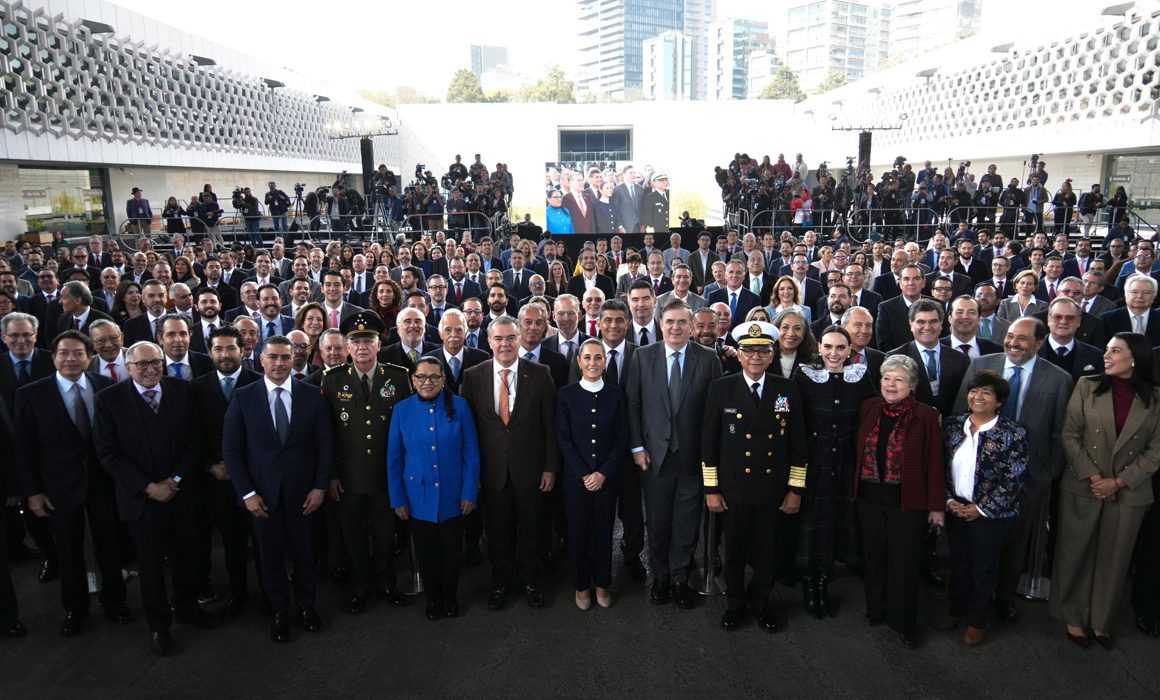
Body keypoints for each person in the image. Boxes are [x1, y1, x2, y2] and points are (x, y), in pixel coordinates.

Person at [93, 341, 217, 656]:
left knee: (186, 557)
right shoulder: (109, 400)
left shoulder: (182, 391)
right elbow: (109, 454)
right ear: (128, 367)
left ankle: (188, 609)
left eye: (155, 363)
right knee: (150, 566)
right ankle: (159, 626)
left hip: (182, 493)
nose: (150, 369)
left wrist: (174, 480)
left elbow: (195, 439)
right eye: (142, 364)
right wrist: (149, 487)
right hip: (142, 499)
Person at [13, 331, 130, 637]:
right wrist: (33, 492)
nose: (71, 359)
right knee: (68, 549)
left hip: (103, 483)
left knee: (110, 545)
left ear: (88, 356)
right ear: (53, 357)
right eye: (64, 353)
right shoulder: (31, 394)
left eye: (78, 353)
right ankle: (75, 609)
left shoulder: (104, 386)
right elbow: (24, 449)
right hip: (58, 487)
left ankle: (115, 601)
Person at [222, 335, 334, 643]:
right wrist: (247, 494)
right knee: (269, 557)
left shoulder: (312, 395)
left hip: (304, 495)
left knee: (305, 554)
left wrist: (320, 487)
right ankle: (279, 611)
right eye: (273, 357)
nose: (280, 363)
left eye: (286, 357)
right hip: (262, 497)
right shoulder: (244, 397)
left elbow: (325, 446)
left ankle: (307, 606)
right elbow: (231, 449)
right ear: (260, 359)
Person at [1053, 333, 1160, 649]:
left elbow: (1156, 450)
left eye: (1116, 350)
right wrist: (1095, 476)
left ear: (1135, 358)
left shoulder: (1155, 397)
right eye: (1107, 350)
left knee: (1115, 559)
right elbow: (1070, 435)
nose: (1107, 355)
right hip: (1084, 484)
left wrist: (1119, 481)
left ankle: (1100, 622)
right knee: (1075, 552)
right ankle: (1073, 617)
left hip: (1130, 491)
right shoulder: (1087, 386)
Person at [703, 321, 807, 633]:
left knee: (767, 551)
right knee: (733, 549)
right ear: (739, 354)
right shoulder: (721, 387)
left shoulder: (787, 389)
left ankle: (761, 601)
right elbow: (709, 442)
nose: (756, 356)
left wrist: (795, 489)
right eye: (749, 350)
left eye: (763, 350)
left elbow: (798, 443)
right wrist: (711, 488)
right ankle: (735, 603)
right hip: (734, 488)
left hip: (772, 489)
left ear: (773, 355)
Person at [627, 299, 722, 608]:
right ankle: (661, 576)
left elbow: (714, 412)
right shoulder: (642, 356)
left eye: (682, 322)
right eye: (670, 322)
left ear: (691, 326)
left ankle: (680, 577)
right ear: (660, 324)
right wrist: (638, 447)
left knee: (686, 522)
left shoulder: (708, 359)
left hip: (692, 458)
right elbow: (634, 405)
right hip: (655, 457)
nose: (676, 327)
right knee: (657, 522)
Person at [460, 316, 558, 611]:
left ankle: (530, 582)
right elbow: (467, 431)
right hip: (491, 473)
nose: (505, 344)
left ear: (520, 339)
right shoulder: (473, 376)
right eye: (499, 339)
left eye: (510, 338)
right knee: (498, 533)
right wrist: (472, 473)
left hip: (531, 471)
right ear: (488, 342)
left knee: (531, 530)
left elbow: (550, 427)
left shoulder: (541, 374)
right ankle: (501, 583)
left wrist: (550, 467)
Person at [321, 312, 412, 614]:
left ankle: (387, 583)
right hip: (349, 476)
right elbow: (327, 433)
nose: (362, 346)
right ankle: (360, 587)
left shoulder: (398, 377)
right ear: (347, 347)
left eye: (368, 340)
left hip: (387, 476)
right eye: (355, 341)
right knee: (355, 535)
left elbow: (407, 429)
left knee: (386, 535)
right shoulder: (333, 381)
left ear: (379, 344)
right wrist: (331, 474)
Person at [854, 354, 946, 648]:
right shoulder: (869, 408)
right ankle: (875, 609)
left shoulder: (926, 416)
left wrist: (936, 507)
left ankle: (903, 622)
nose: (891, 385)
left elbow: (935, 463)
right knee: (874, 558)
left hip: (908, 504)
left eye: (899, 380)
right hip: (869, 499)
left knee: (904, 564)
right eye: (886, 378)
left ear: (913, 385)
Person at [939, 370, 1028, 647]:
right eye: (974, 391)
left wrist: (982, 509)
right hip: (956, 508)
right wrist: (949, 501)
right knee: (959, 564)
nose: (978, 397)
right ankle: (956, 609)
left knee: (984, 568)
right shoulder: (954, 426)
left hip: (991, 516)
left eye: (986, 393)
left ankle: (977, 620)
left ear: (999, 401)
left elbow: (1013, 479)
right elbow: (939, 467)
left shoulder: (1012, 433)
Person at [388, 357, 479, 620]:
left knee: (452, 552)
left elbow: (471, 453)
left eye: (434, 377)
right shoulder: (402, 410)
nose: (427, 382)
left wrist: (469, 492)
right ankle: (433, 600)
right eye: (422, 377)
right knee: (426, 554)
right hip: (418, 497)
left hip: (454, 494)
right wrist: (398, 499)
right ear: (413, 380)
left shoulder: (460, 406)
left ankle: (450, 597)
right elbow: (394, 459)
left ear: (443, 379)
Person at [796, 326, 876, 619]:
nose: (834, 353)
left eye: (840, 348)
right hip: (814, 460)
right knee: (812, 519)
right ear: (819, 348)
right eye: (828, 347)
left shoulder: (860, 376)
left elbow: (871, 416)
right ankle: (809, 582)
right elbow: (796, 422)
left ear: (849, 350)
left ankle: (824, 579)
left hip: (846, 459)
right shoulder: (804, 375)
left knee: (836, 520)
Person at [556, 339, 628, 610]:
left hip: (606, 480)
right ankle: (581, 585)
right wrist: (586, 474)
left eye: (598, 358)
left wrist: (603, 473)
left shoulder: (616, 394)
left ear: (605, 361)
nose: (593, 363)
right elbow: (564, 439)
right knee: (577, 533)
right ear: (579, 361)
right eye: (587, 358)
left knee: (603, 532)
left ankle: (602, 583)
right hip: (576, 479)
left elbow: (622, 439)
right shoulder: (566, 394)